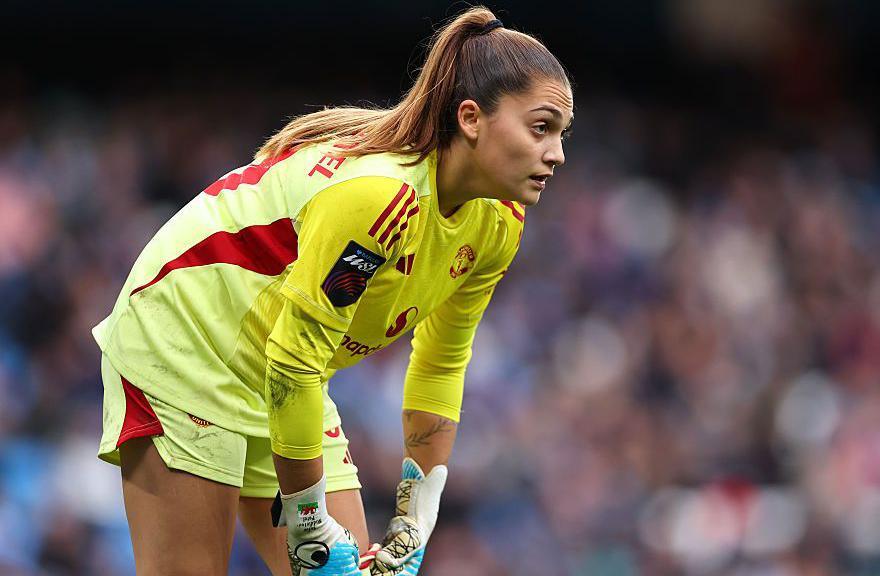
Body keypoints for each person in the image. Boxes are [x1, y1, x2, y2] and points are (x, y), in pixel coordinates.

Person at [91, 5, 573, 576]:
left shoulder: (498, 223)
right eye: (540, 128)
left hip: (284, 370)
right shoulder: (380, 199)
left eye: (562, 134)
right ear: (471, 118)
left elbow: (442, 361)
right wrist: (306, 517)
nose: (557, 154)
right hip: (186, 346)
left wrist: (416, 515)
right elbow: (294, 362)